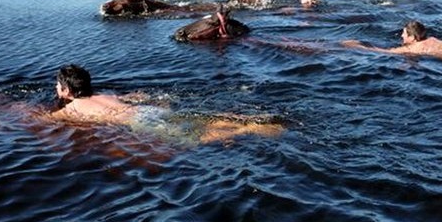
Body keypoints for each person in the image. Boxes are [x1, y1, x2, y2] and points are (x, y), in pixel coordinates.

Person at [47, 64, 284, 142]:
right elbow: (135, 97)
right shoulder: (105, 94)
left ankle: (248, 129)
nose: (56, 89)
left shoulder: (70, 108)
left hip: (137, 120)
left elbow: (44, 122)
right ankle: (243, 120)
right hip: (145, 109)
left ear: (66, 90)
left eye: (58, 85)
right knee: (196, 119)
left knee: (194, 138)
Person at [341, 20, 442, 61]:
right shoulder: (433, 40)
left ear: (413, 38)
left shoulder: (413, 48)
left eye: (404, 34)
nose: (401, 36)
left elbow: (383, 52)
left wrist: (356, 46)